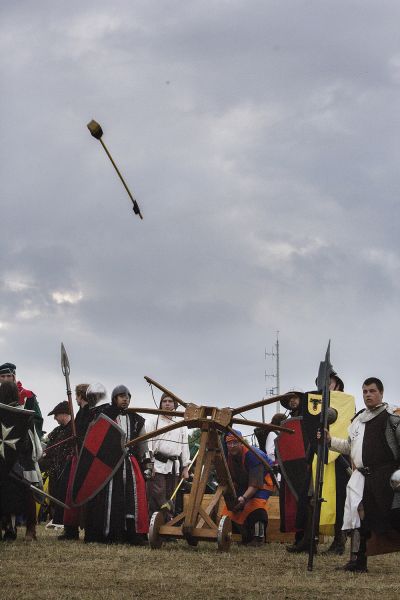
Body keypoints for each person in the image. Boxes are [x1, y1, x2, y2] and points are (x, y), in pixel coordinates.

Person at [327, 377, 400, 572]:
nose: (368, 395)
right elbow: (349, 447)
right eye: (365, 391)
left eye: (372, 391)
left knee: (393, 517)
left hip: (387, 477)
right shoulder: (359, 420)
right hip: (362, 477)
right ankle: (358, 562)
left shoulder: (392, 417)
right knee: (358, 517)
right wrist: (329, 441)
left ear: (381, 393)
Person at [84, 384, 152, 544]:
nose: (125, 399)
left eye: (127, 397)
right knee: (111, 498)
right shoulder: (105, 416)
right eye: (122, 396)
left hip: (130, 464)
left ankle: (133, 535)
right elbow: (95, 439)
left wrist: (148, 464)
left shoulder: (136, 419)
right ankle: (111, 534)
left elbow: (143, 444)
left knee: (133, 498)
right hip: (109, 465)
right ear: (115, 399)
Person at [0, 381, 42, 541]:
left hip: (20, 460)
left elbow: (28, 440)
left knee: (25, 493)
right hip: (9, 460)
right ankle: (14, 529)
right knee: (13, 494)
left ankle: (29, 529)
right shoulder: (19, 414)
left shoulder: (23, 415)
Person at [222, 430, 274, 546]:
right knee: (230, 510)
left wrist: (244, 498)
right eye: (229, 443)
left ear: (241, 442)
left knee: (256, 505)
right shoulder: (227, 456)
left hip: (263, 482)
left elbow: (255, 484)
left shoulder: (253, 455)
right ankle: (245, 537)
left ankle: (258, 538)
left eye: (235, 442)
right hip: (244, 483)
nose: (232, 446)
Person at [146, 392, 190, 519]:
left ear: (175, 404)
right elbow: (147, 443)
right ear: (160, 404)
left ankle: (168, 523)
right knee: (157, 496)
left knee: (171, 497)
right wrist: (149, 465)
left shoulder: (181, 423)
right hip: (157, 465)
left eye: (170, 401)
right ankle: (154, 524)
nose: (167, 404)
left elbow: (185, 446)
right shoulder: (153, 421)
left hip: (173, 466)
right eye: (164, 401)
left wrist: (185, 467)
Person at [40, 401, 74, 528]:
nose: (54, 418)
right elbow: (48, 450)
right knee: (54, 495)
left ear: (64, 414)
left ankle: (65, 520)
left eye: (56, 415)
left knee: (65, 495)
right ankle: (57, 519)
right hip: (54, 469)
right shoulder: (56, 431)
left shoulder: (75, 429)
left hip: (69, 469)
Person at [0, 362, 43, 438]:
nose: (6, 379)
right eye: (2, 376)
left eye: (9, 376)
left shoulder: (27, 395)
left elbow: (37, 419)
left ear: (14, 377)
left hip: (22, 438)